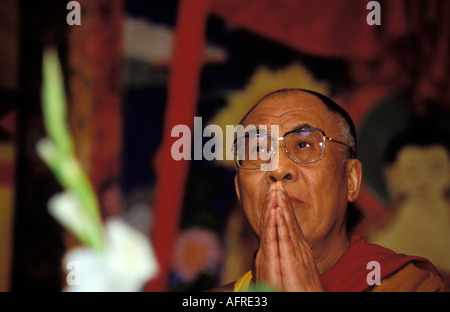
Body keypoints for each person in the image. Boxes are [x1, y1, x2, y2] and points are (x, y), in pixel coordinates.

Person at [214, 88, 449, 292]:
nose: (277, 168)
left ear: (351, 180)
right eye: (258, 150)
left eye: (304, 145)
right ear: (239, 190)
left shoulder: (408, 285)